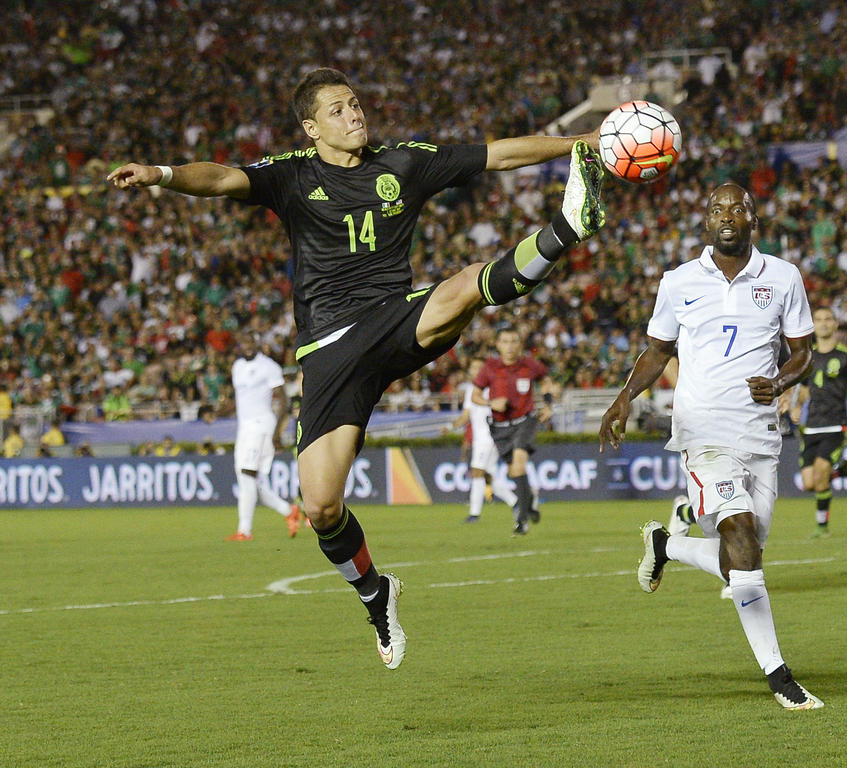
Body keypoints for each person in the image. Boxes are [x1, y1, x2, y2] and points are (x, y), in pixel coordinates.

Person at [108, 66, 606, 669]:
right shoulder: (292, 174)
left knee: (457, 294)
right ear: (312, 127)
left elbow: (497, 155)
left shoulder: (403, 162)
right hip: (328, 352)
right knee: (320, 506)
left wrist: (584, 144)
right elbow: (217, 178)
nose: (356, 115)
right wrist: (161, 175)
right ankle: (376, 594)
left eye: (357, 104)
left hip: (393, 318)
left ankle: (565, 227)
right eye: (339, 110)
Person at [599, 182, 823, 710]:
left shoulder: (783, 277)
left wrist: (783, 382)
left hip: (760, 434)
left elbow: (803, 352)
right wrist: (624, 398)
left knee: (741, 561)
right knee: (741, 540)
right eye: (717, 208)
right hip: (701, 431)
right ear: (705, 221)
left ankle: (667, 545)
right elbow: (657, 351)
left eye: (737, 208)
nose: (727, 215)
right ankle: (779, 675)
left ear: (753, 219)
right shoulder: (679, 281)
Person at [790, 306, 847, 537]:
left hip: (836, 424)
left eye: (828, 319)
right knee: (808, 483)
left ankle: (821, 527)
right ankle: (842, 471)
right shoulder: (809, 356)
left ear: (835, 324)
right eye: (819, 319)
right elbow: (804, 389)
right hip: (812, 425)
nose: (823, 323)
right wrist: (797, 406)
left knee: (821, 473)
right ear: (813, 325)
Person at [472, 327, 558, 535]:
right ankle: (530, 500)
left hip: (524, 421)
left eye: (513, 341)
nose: (509, 346)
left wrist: (548, 405)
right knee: (514, 471)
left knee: (519, 463)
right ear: (498, 345)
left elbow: (546, 381)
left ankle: (521, 519)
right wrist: (491, 402)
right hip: (500, 428)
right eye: (505, 342)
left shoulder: (529, 365)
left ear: (519, 344)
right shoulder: (490, 368)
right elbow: (475, 395)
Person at [224, 333, 303, 542]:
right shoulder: (237, 366)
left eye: (251, 342)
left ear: (258, 343)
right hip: (244, 428)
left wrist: (277, 432)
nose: (248, 346)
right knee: (247, 479)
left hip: (262, 426)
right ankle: (289, 510)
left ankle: (245, 530)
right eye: (244, 342)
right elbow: (242, 399)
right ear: (240, 344)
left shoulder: (269, 366)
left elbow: (284, 401)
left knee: (247, 474)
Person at [449, 357, 519, 523]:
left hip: (489, 437)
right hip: (480, 439)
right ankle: (516, 502)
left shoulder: (491, 389)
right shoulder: (471, 391)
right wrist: (451, 427)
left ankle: (474, 513)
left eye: (479, 368)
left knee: (476, 472)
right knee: (487, 475)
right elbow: (465, 416)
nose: (475, 371)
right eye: (473, 368)